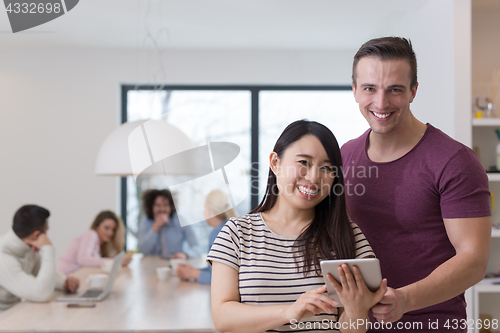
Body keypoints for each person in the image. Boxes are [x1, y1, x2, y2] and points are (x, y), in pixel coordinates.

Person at [341, 37, 491, 331]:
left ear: (413, 91)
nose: (381, 103)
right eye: (370, 88)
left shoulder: (455, 160)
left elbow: (473, 259)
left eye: (394, 90)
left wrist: (405, 300)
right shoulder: (343, 156)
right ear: (355, 91)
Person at [207, 120, 387, 333]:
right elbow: (222, 319)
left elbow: (352, 328)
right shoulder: (236, 233)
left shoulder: (347, 234)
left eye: (326, 168)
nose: (313, 177)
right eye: (304, 162)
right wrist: (289, 312)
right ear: (275, 163)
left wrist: (357, 311)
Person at [0, 205, 80, 311]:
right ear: (36, 235)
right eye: (46, 231)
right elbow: (42, 293)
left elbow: (40, 273)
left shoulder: (27, 248)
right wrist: (48, 248)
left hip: (15, 313)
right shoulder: (3, 256)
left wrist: (64, 282)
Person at [176, 189, 237, 284]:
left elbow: (219, 278)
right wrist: (193, 271)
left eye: (204, 209)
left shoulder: (218, 233)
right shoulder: (231, 227)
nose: (203, 213)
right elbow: (215, 269)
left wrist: (192, 273)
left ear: (210, 211)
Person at [57, 211, 131, 275]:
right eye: (106, 228)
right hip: (64, 278)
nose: (110, 233)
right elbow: (82, 259)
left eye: (113, 230)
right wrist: (113, 261)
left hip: (74, 277)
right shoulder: (91, 234)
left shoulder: (99, 245)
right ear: (96, 226)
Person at [138, 189, 198, 259]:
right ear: (152, 207)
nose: (162, 209)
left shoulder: (179, 220)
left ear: (170, 206)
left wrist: (186, 254)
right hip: (151, 264)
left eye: (165, 205)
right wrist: (155, 226)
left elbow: (196, 247)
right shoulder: (145, 221)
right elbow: (143, 250)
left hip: (174, 263)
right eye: (158, 205)